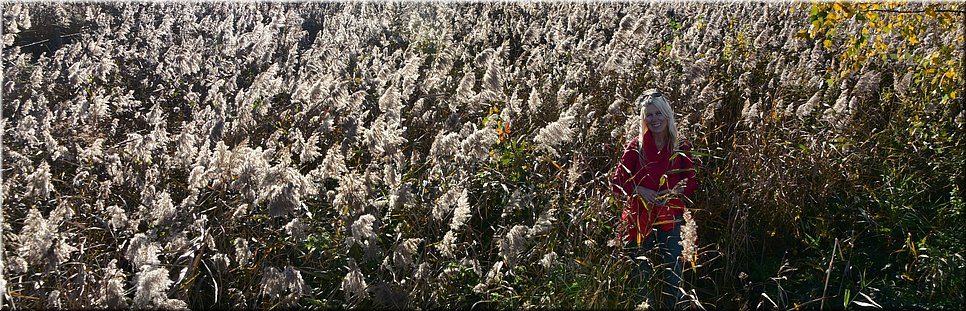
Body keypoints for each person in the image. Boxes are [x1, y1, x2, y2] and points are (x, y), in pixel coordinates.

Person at [611, 89, 697, 309]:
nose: (654, 119)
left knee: (673, 274)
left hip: (670, 217)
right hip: (639, 218)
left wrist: (673, 193)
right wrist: (638, 189)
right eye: (649, 115)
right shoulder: (635, 146)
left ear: (667, 114)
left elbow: (691, 182)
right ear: (643, 118)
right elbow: (618, 181)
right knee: (640, 274)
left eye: (659, 113)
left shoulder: (680, 146)